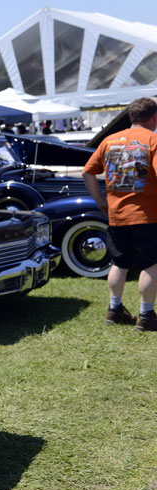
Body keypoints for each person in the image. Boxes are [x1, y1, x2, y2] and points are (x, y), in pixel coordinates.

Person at [82, 97, 157, 331]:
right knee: (151, 264)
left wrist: (101, 201)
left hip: (117, 215)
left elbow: (87, 172)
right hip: (147, 215)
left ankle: (115, 310)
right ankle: (146, 315)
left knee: (119, 262)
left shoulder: (109, 140)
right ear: (153, 117)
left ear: (131, 117)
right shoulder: (153, 140)